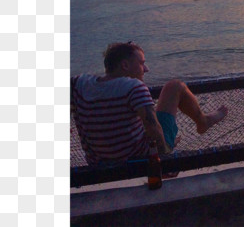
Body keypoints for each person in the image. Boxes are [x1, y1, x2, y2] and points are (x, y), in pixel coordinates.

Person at [71, 41, 228, 164]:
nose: (146, 69)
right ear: (125, 65)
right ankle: (203, 121)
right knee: (174, 86)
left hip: (98, 164)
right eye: (141, 63)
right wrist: (166, 157)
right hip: (139, 161)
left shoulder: (79, 83)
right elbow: (154, 130)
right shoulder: (134, 87)